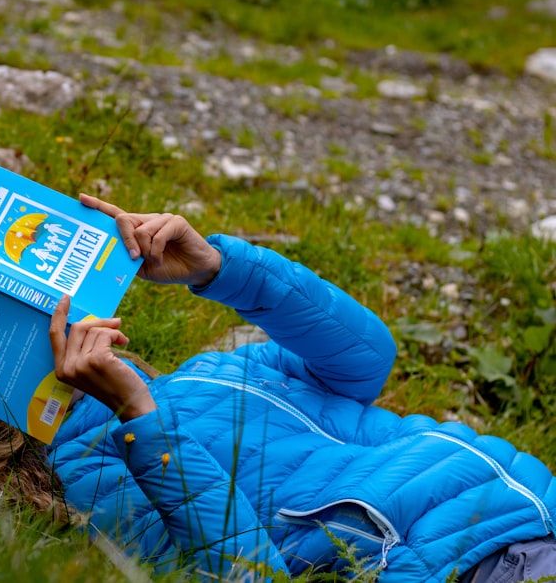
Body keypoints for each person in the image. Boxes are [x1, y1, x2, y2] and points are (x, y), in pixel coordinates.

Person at [44, 195, 556, 582]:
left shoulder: (226, 366)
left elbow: (367, 356)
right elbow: (246, 570)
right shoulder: (84, 471)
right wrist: (139, 417)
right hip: (465, 563)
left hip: (535, 507)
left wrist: (222, 269)